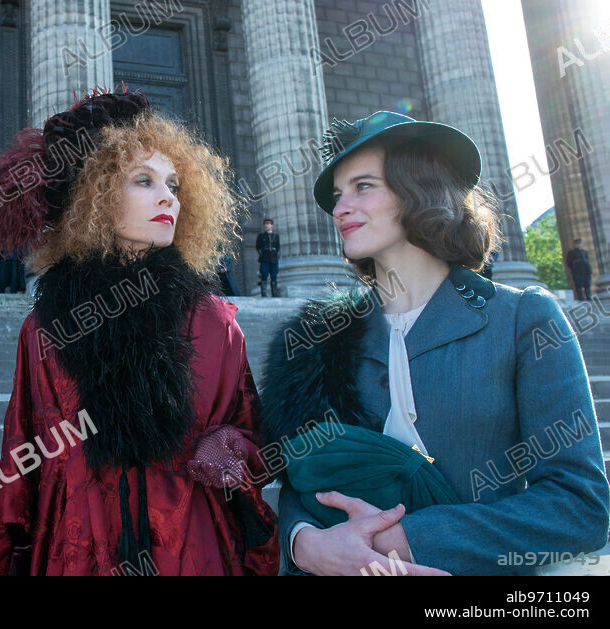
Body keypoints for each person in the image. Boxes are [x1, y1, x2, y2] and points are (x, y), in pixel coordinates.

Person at [260, 111, 609, 576]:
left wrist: (411, 541)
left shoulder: (522, 318)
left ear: (418, 190)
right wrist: (305, 544)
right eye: (338, 195)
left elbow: (578, 504)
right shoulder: (318, 338)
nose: (340, 208)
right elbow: (303, 481)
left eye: (363, 187)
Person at [0, 89, 279, 576]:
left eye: (175, 184)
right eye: (144, 180)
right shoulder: (44, 330)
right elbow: (21, 459)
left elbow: (252, 437)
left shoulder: (215, 323)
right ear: (92, 197)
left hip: (191, 549)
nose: (168, 197)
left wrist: (229, 448)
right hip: (76, 549)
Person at [255, 218, 281, 297]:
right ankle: (264, 293)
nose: (266, 225)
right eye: (265, 223)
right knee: (264, 275)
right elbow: (258, 246)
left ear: (272, 225)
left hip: (273, 258)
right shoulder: (261, 236)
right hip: (264, 258)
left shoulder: (276, 236)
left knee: (274, 276)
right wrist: (261, 252)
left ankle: (274, 293)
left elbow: (278, 247)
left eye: (268, 223)